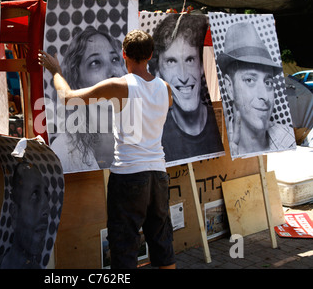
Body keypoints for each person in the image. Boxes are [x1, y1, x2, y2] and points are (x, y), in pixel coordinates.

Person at [39, 29, 176, 269]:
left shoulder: (119, 86)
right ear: (151, 55)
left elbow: (68, 97)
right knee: (162, 245)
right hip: (159, 175)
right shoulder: (165, 89)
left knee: (124, 249)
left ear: (123, 54)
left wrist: (56, 71)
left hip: (129, 177)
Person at [48, 26, 127, 172]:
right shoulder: (64, 151)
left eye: (115, 59)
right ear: (77, 80)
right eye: (95, 62)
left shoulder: (141, 137)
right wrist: (56, 72)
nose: (112, 73)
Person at [151, 14, 224, 163]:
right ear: (158, 72)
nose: (183, 76)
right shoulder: (156, 135)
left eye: (190, 59)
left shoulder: (222, 126)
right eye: (171, 62)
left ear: (201, 67)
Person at [217, 22, 295, 156]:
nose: (264, 95)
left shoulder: (288, 140)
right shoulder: (218, 144)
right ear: (230, 87)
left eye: (268, 82)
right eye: (250, 80)